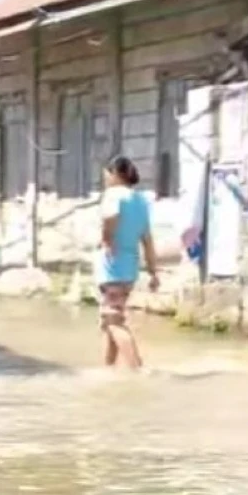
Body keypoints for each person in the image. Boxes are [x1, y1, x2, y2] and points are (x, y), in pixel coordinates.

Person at [96, 156, 159, 370]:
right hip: (129, 269)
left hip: (113, 267)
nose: (105, 179)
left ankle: (136, 369)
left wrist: (107, 239)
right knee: (111, 320)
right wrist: (153, 271)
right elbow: (147, 239)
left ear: (115, 174)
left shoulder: (113, 194)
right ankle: (108, 369)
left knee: (113, 322)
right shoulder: (140, 200)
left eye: (106, 174)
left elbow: (110, 217)